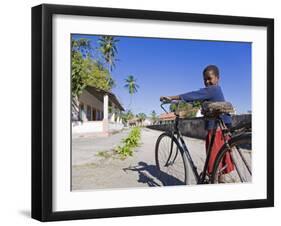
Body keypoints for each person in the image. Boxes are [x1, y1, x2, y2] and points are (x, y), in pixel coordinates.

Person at [160, 65, 235, 182]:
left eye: (209, 78)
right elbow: (195, 99)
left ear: (217, 79)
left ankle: (214, 181)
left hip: (216, 128)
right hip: (224, 126)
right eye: (205, 79)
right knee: (219, 158)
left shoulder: (212, 89)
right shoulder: (215, 91)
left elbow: (193, 95)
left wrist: (171, 97)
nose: (207, 81)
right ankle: (220, 178)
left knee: (213, 159)